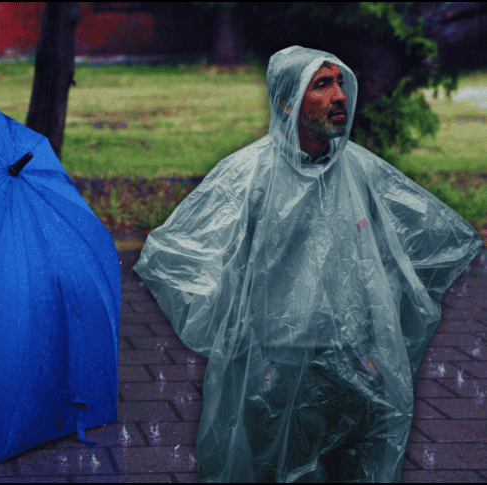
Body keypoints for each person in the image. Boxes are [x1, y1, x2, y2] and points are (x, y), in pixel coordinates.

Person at [133, 45, 484, 482]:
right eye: (323, 85)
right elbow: (176, 257)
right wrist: (236, 338)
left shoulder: (360, 171)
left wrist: (378, 345)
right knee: (272, 468)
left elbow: (405, 253)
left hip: (352, 365)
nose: (340, 95)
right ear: (288, 99)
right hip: (274, 366)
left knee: (346, 470)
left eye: (340, 83)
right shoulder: (248, 175)